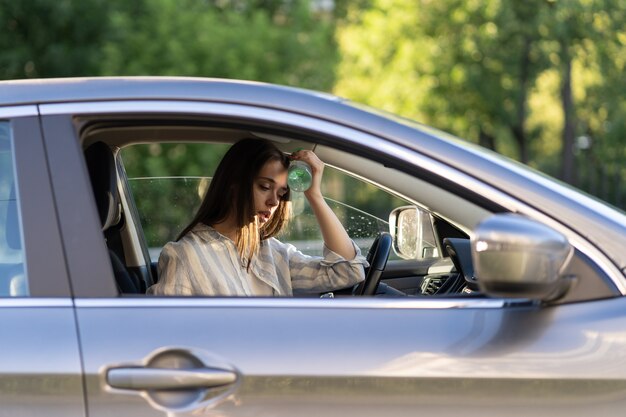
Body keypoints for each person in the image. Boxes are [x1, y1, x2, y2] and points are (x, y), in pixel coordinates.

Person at [147, 138, 367, 296]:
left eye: (281, 194)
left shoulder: (273, 253)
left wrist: (314, 195)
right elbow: (167, 336)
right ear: (233, 184)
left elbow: (347, 271)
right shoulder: (186, 256)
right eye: (264, 187)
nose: (274, 202)